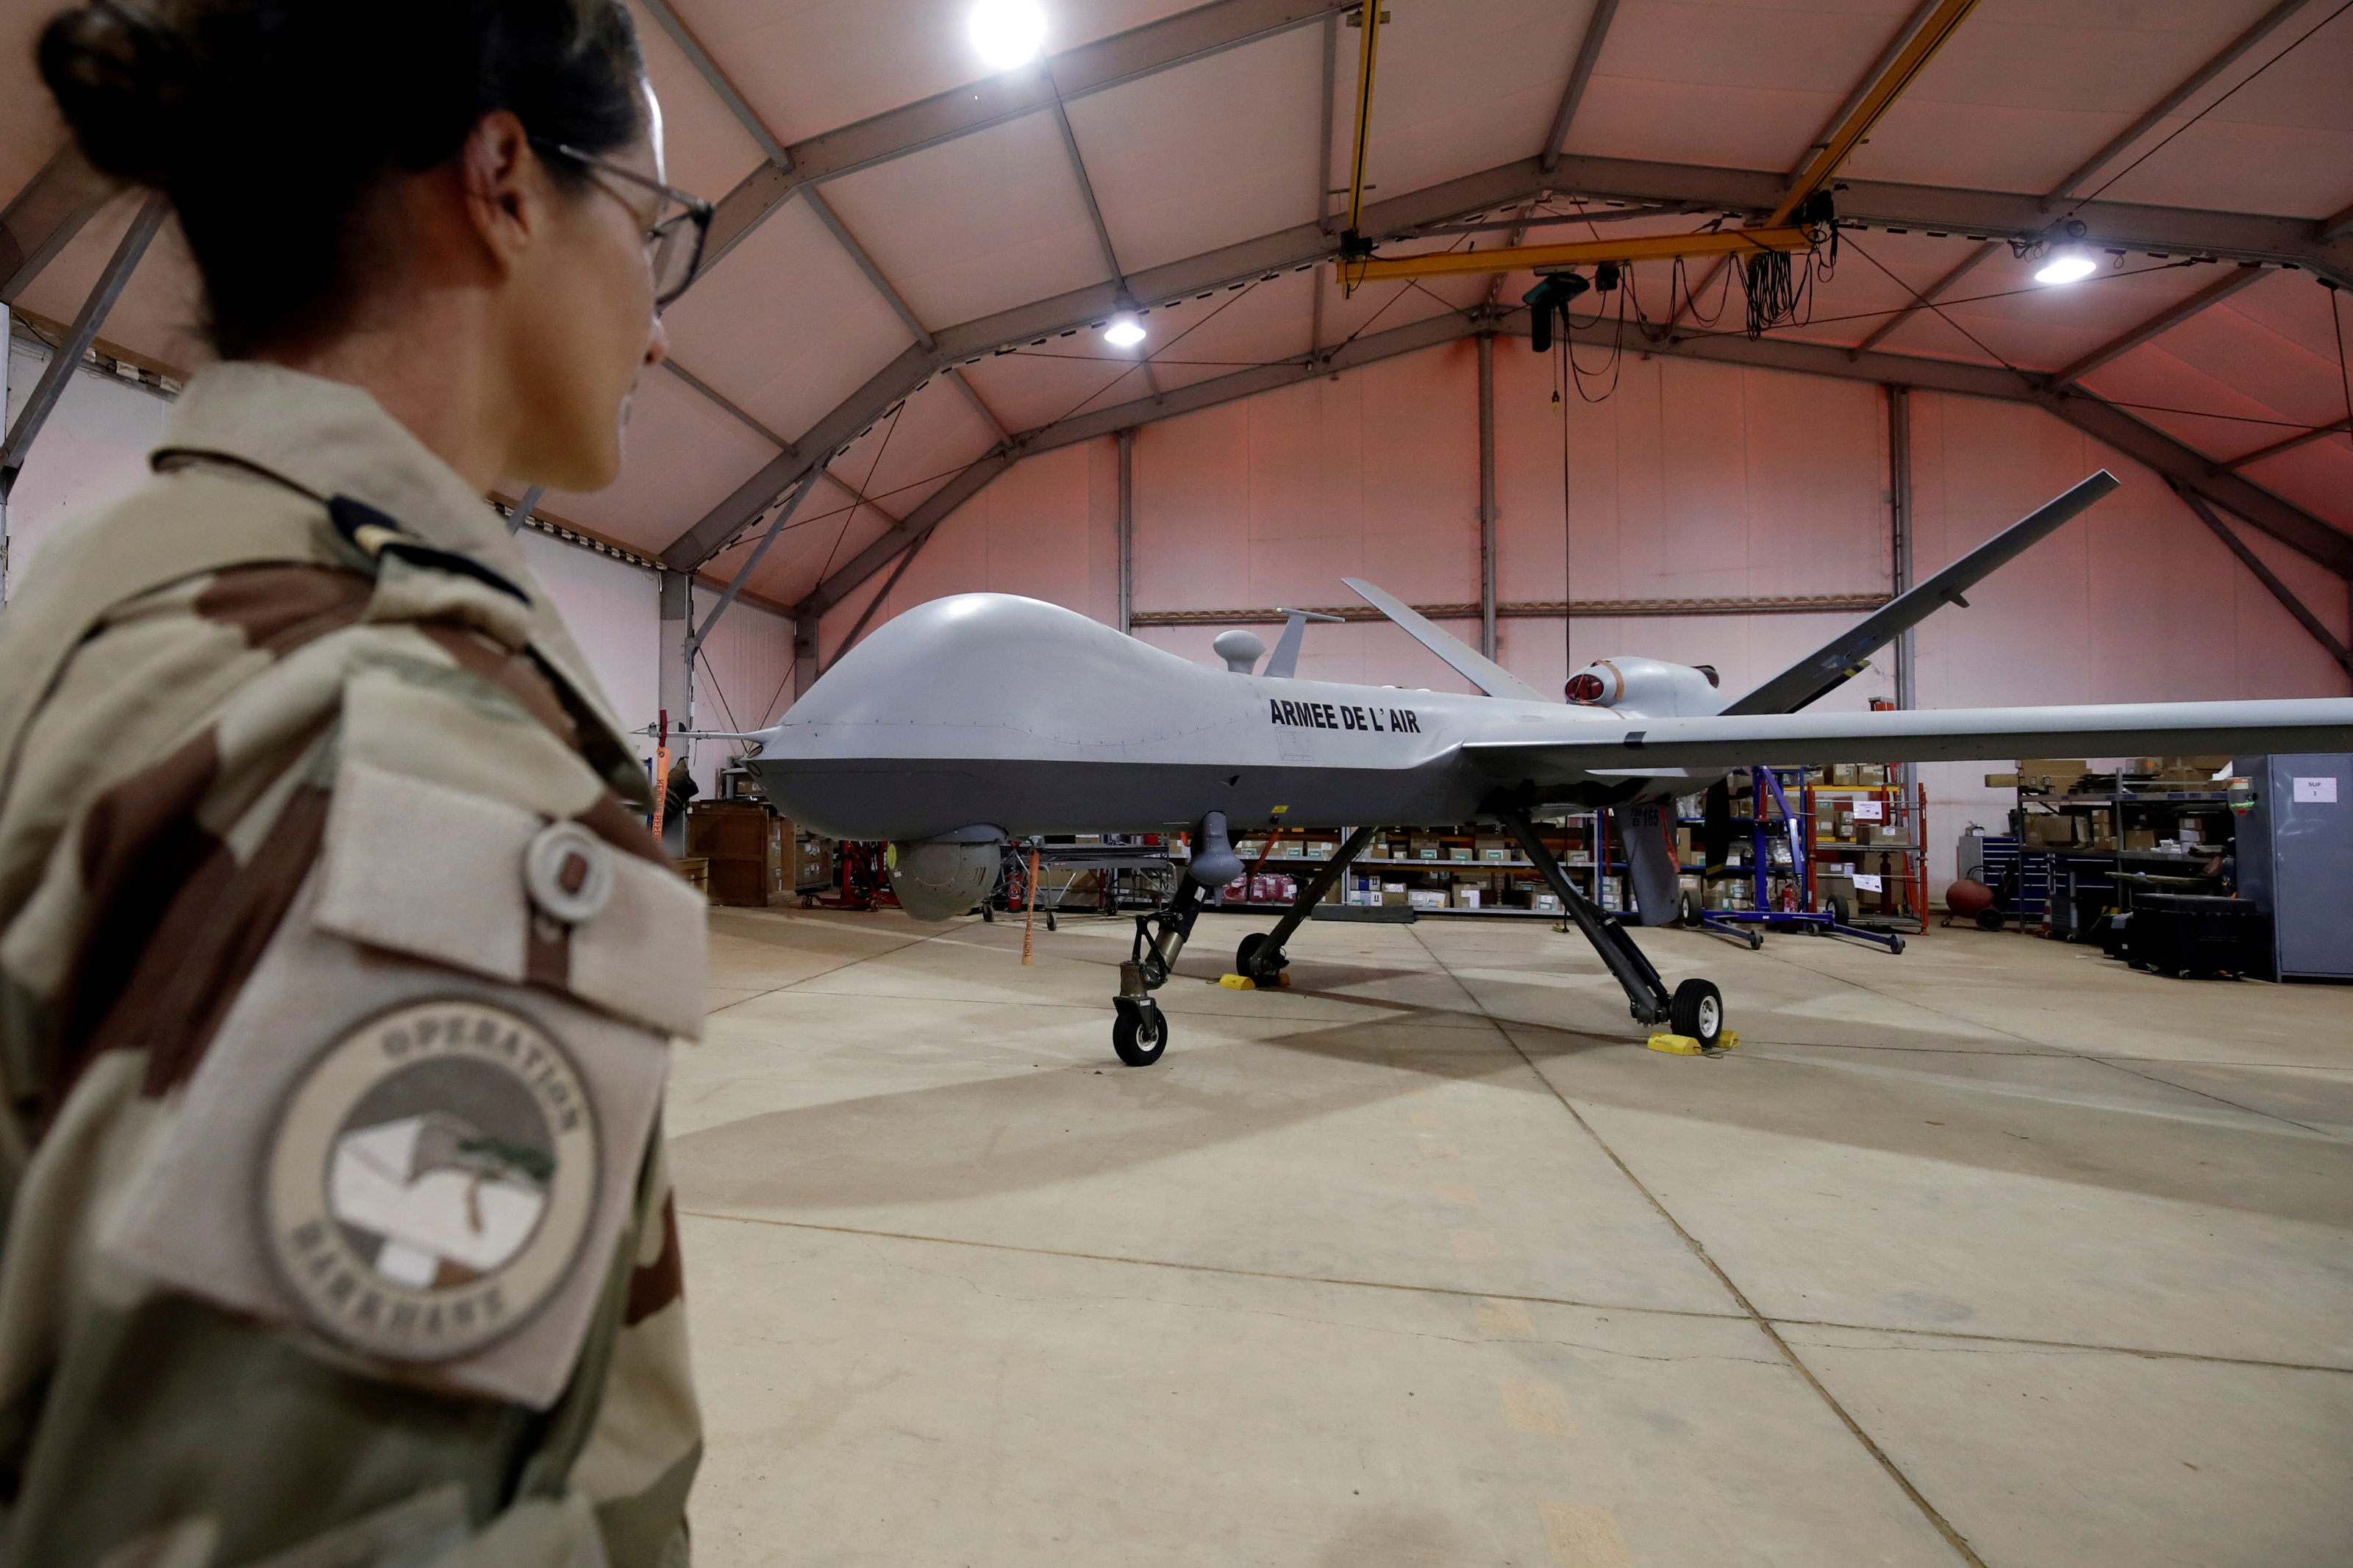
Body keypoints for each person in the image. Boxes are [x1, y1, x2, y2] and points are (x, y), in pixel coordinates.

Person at [0, 2, 713, 1561]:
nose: (661, 326)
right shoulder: (414, 756)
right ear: (509, 177)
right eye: (655, 226)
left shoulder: (88, 598)